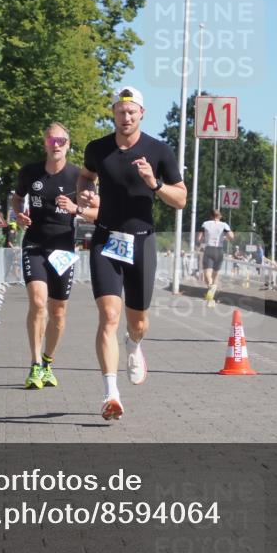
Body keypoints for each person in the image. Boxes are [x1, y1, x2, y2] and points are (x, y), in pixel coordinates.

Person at [77, 86, 187, 420]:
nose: (126, 118)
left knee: (137, 321)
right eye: (120, 111)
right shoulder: (98, 149)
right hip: (106, 240)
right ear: (113, 113)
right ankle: (111, 394)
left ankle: (134, 344)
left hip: (142, 241)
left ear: (141, 114)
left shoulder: (159, 150)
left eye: (132, 112)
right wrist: (84, 194)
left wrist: (154, 184)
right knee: (109, 316)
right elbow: (85, 176)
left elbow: (180, 199)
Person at [12, 123, 97, 390]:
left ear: (68, 144)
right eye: (51, 141)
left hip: (63, 247)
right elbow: (17, 199)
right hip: (35, 242)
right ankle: (35, 364)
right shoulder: (30, 172)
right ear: (45, 144)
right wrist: (19, 214)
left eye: (61, 140)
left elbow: (96, 212)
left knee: (58, 311)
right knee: (38, 302)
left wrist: (75, 209)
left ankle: (48, 361)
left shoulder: (79, 177)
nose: (56, 145)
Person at [196, 209, 233, 306]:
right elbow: (231, 236)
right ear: (219, 216)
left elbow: (199, 238)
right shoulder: (224, 225)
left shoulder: (205, 224)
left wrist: (200, 243)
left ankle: (210, 287)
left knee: (207, 275)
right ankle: (211, 299)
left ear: (211, 216)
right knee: (215, 275)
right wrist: (226, 238)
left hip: (209, 248)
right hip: (219, 250)